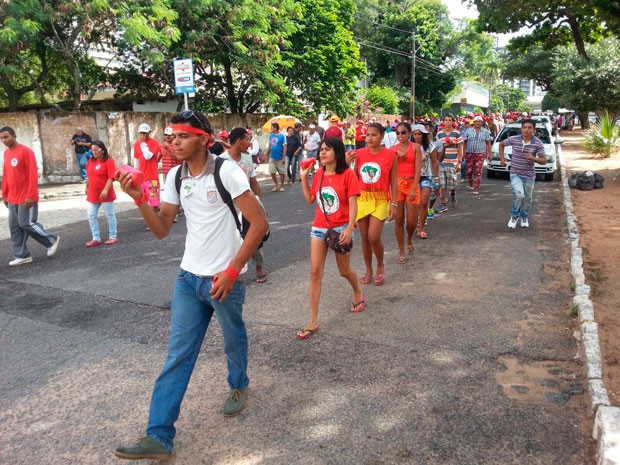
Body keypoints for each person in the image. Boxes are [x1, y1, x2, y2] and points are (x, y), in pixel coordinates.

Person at [113, 111, 268, 461]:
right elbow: (162, 228)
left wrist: (232, 270)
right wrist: (140, 198)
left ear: (203, 138)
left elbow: (259, 223)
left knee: (233, 338)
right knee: (177, 355)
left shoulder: (226, 171)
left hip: (223, 278)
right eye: (171, 136)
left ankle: (239, 384)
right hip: (187, 279)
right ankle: (159, 436)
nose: (174, 142)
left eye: (182, 136)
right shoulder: (175, 175)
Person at [297, 137, 363, 340]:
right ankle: (312, 320)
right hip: (319, 227)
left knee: (344, 271)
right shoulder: (318, 174)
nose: (322, 153)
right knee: (315, 272)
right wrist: (303, 177)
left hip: (341, 227)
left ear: (338, 152)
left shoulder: (348, 174)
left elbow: (353, 204)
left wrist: (350, 228)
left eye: (327, 149)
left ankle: (358, 291)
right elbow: (310, 200)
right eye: (321, 150)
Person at [1, 126, 60, 266]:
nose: (4, 140)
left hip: (26, 196)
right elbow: (7, 175)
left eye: (6, 137)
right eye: (1, 138)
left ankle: (51, 239)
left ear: (14, 136)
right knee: (14, 227)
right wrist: (5, 194)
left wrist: (31, 196)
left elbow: (32, 175)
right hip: (12, 197)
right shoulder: (6, 153)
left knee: (26, 223)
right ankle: (22, 255)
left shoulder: (26, 152)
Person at [348, 123, 398, 286]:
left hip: (381, 199)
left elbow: (394, 182)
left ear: (382, 136)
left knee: (373, 236)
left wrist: (394, 203)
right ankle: (368, 269)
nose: (369, 138)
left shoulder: (391, 155)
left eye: (374, 135)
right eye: (367, 135)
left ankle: (380, 265)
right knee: (364, 237)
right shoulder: (359, 154)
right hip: (362, 198)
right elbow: (353, 177)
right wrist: (348, 164)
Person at [221, 128, 268, 283]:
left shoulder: (248, 160)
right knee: (229, 238)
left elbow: (253, 182)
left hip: (247, 206)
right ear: (239, 140)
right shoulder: (221, 161)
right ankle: (228, 271)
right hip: (228, 208)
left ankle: (259, 266)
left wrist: (260, 204)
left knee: (252, 237)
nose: (249, 144)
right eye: (247, 140)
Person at [499, 118, 547, 229]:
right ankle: (514, 215)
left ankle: (524, 216)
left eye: (529, 128)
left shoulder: (537, 143)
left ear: (534, 130)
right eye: (524, 127)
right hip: (515, 172)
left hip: (529, 175)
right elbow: (501, 144)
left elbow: (544, 160)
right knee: (519, 195)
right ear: (521, 129)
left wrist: (533, 158)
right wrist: (502, 159)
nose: (526, 130)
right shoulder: (514, 139)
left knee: (528, 199)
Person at [392, 122, 422, 263]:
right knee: (398, 219)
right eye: (398, 133)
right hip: (397, 185)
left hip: (411, 184)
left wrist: (415, 187)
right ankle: (401, 251)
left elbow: (418, 168)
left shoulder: (415, 147)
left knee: (411, 221)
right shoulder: (392, 149)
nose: (400, 135)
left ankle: (409, 237)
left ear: (409, 133)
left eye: (403, 132)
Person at [84, 140, 118, 246]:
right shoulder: (90, 161)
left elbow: (111, 177)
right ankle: (96, 238)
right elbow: (89, 175)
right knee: (91, 215)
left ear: (102, 150)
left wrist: (106, 189)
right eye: (92, 151)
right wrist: (86, 187)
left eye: (96, 150)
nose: (94, 153)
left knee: (109, 214)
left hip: (105, 193)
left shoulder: (108, 161)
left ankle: (113, 236)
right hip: (93, 193)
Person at [411, 124, 439, 239]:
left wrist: (437, 178)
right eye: (415, 134)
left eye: (419, 134)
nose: (417, 136)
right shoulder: (409, 147)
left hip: (425, 176)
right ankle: (414, 224)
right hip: (412, 178)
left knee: (423, 202)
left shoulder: (430, 147)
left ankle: (420, 228)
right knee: (414, 204)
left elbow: (434, 162)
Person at [435, 114, 463, 212]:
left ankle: (453, 193)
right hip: (441, 163)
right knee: (441, 184)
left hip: (452, 163)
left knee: (452, 184)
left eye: (449, 120)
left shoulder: (456, 133)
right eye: (446, 120)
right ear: (443, 122)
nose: (447, 122)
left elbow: (460, 148)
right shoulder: (439, 134)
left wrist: (459, 162)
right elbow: (436, 148)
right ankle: (443, 202)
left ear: (452, 122)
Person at [133, 123, 161, 212]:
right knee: (143, 201)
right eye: (141, 133)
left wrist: (143, 144)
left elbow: (148, 156)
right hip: (142, 178)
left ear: (149, 133)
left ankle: (155, 221)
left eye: (145, 133)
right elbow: (136, 161)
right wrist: (135, 175)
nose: (143, 135)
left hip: (153, 178)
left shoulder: (154, 143)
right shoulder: (136, 145)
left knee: (154, 202)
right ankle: (150, 220)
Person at [461, 115, 492, 195]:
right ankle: (471, 183)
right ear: (474, 123)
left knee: (478, 171)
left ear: (482, 123)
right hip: (469, 153)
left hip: (480, 154)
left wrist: (490, 154)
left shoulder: (485, 131)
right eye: (476, 122)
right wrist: (463, 152)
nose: (478, 123)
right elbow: (464, 143)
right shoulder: (468, 131)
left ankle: (476, 188)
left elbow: (488, 143)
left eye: (479, 122)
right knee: (469, 171)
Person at [264, 122, 287, 192]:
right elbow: (270, 145)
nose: (271, 129)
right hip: (272, 157)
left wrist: (283, 157)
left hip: (280, 157)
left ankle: (282, 186)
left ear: (276, 128)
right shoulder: (271, 135)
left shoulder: (282, 136)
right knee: (272, 171)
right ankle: (276, 184)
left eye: (272, 127)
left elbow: (285, 147)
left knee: (282, 172)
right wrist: (266, 154)